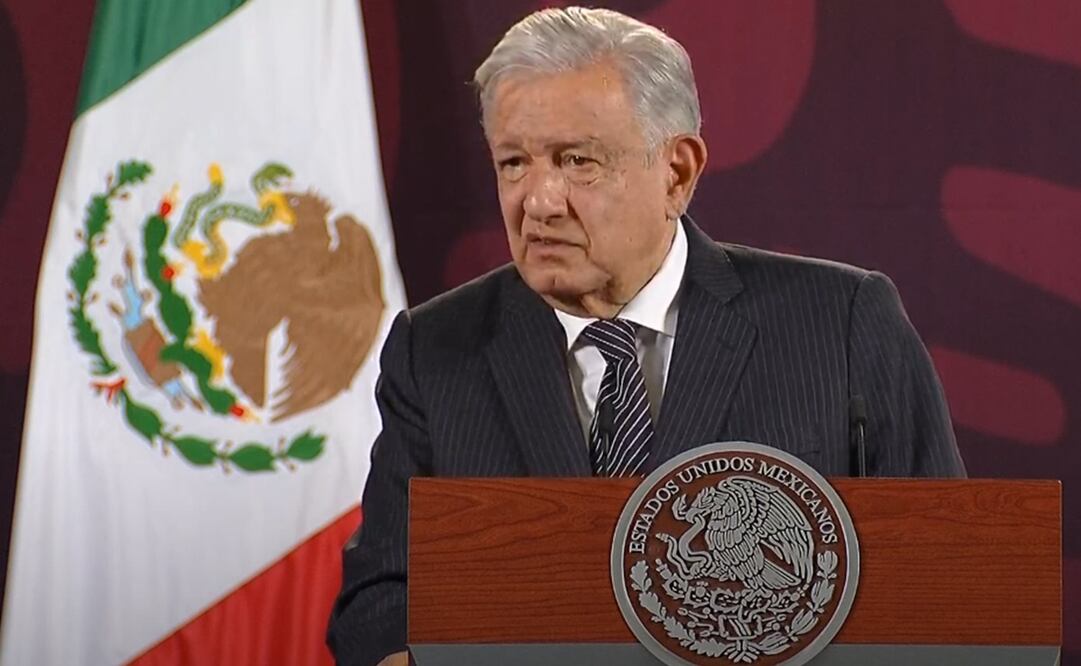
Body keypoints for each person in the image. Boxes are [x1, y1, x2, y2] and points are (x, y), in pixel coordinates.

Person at [326, 7, 966, 665]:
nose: (537, 201)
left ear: (677, 173)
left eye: (577, 161)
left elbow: (946, 574)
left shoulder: (840, 323)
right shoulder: (434, 348)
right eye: (513, 162)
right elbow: (378, 602)